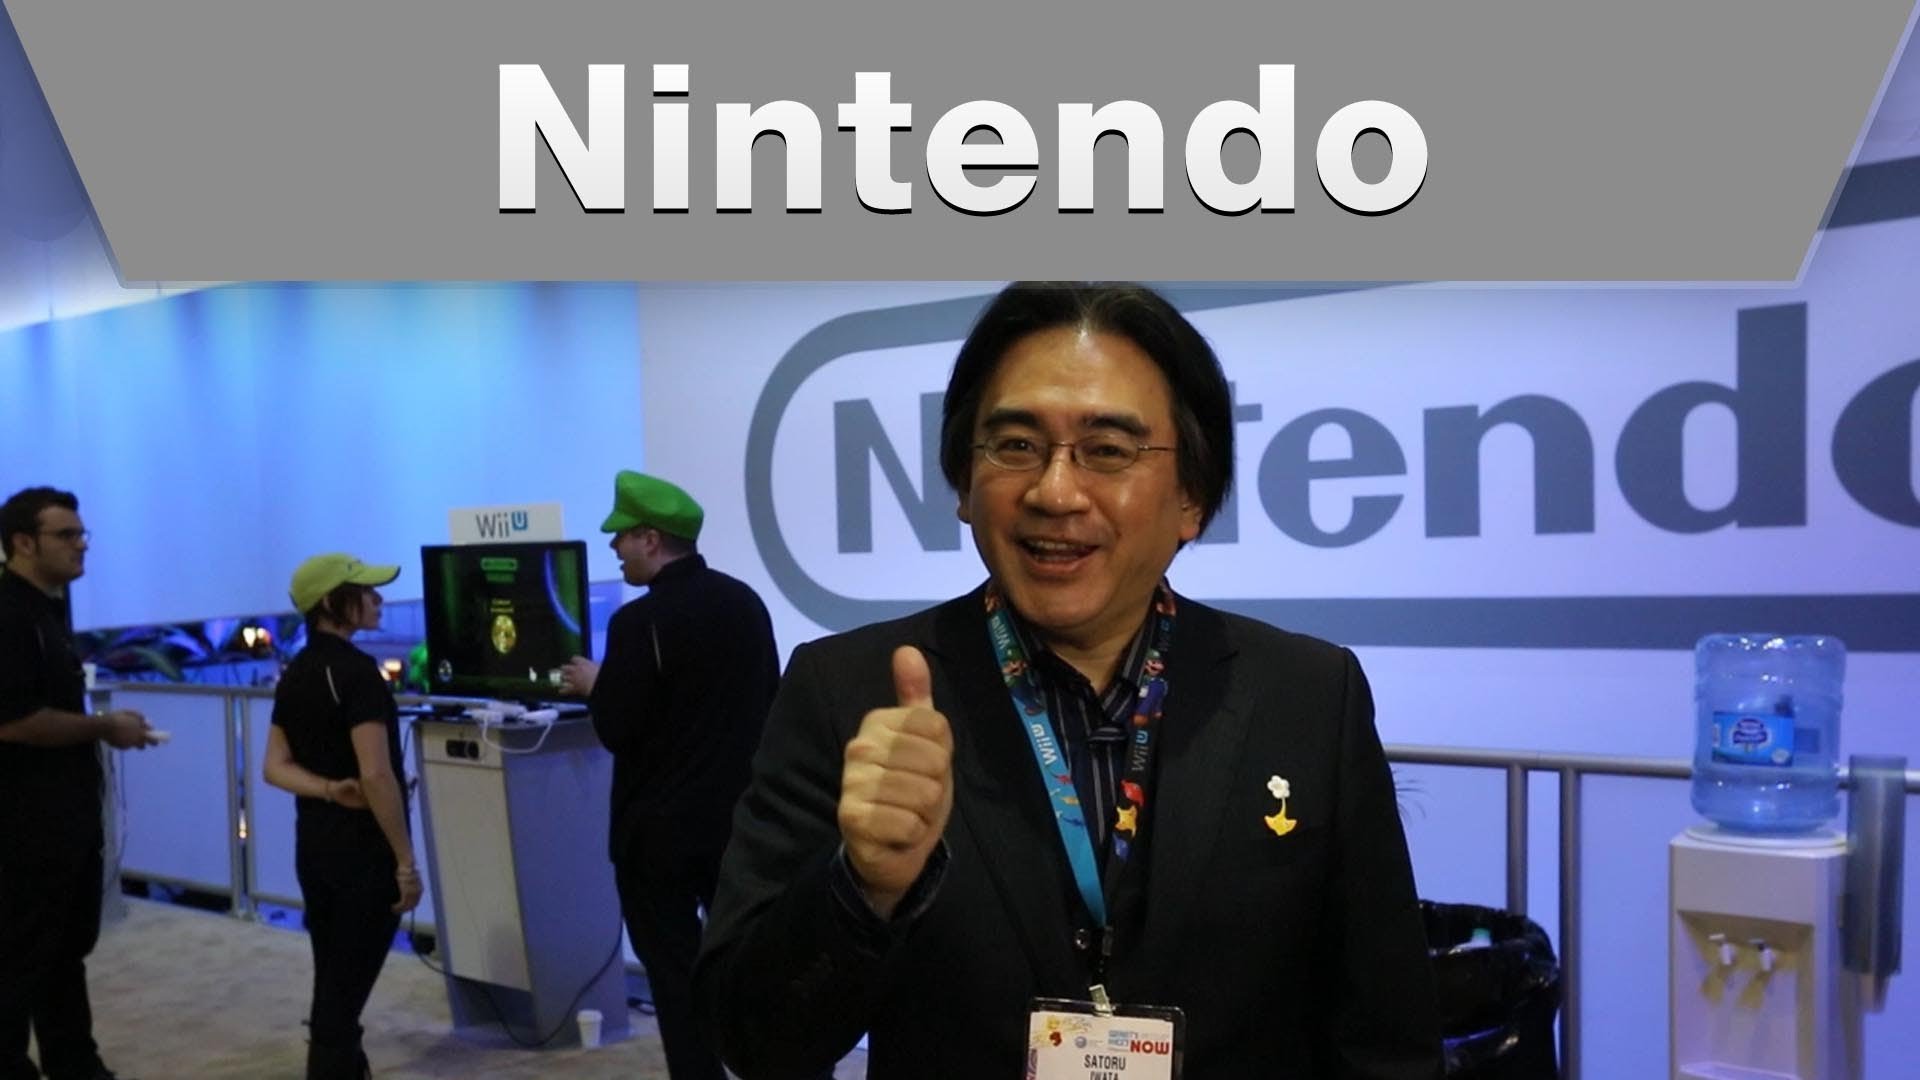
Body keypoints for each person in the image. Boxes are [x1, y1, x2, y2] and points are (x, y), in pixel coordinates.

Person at [694, 283, 1444, 1079]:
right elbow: (753, 1041)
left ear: (1192, 497)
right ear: (963, 483)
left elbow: (1386, 1037)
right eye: (1016, 445)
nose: (1054, 492)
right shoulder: (850, 692)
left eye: (1108, 450)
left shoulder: (1308, 695)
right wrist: (863, 889)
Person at [557, 471, 782, 1080]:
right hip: (738, 828)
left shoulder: (638, 624)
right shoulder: (745, 603)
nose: (614, 548)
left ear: (651, 539)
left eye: (622, 536)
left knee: (677, 980)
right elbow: (768, 703)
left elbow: (619, 727)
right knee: (753, 966)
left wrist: (598, 685)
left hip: (655, 839)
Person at [0, 486, 158, 1080]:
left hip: (61, 819)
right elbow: (14, 721)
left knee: (63, 952)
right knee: (22, 956)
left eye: (81, 533)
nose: (81, 545)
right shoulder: (11, 617)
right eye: (66, 535)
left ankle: (75, 1063)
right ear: (23, 543)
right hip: (25, 824)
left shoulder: (46, 611)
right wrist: (105, 727)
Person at [262, 554, 421, 1080]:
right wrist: (405, 862)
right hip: (364, 854)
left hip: (315, 845)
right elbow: (376, 774)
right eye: (366, 591)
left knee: (334, 977)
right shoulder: (357, 674)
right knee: (341, 996)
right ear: (332, 602)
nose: (378, 599)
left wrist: (330, 790)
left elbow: (275, 767)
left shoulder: (297, 672)